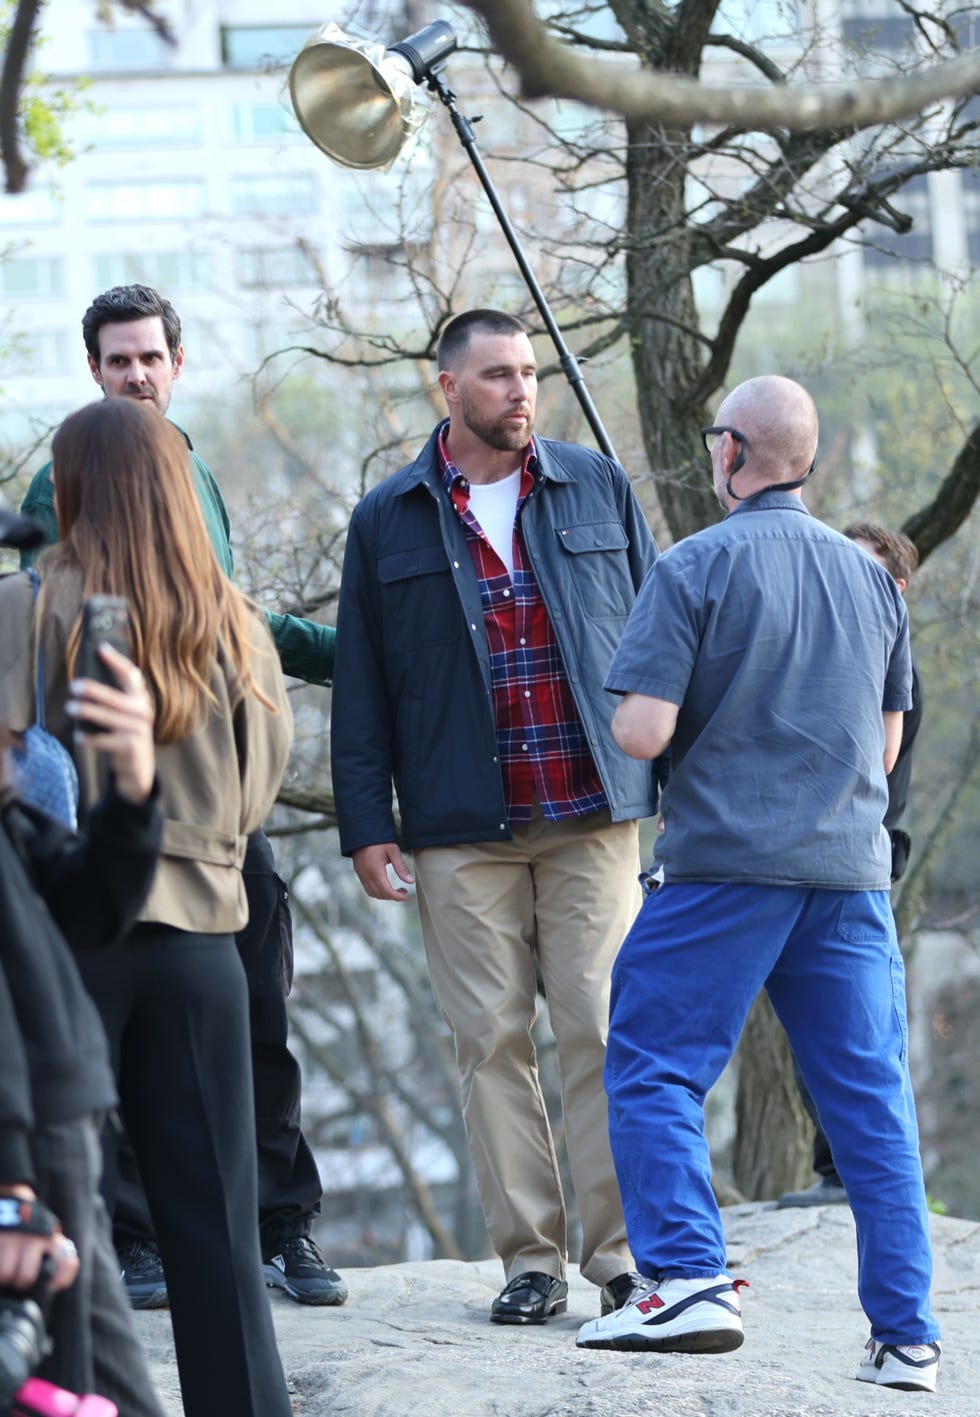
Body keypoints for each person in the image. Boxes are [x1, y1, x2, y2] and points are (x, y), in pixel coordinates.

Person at [575, 375, 942, 1394]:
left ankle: (687, 1279)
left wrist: (652, 687)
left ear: (733, 451)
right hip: (849, 877)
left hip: (724, 869)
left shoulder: (693, 564)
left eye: (714, 439)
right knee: (870, 1105)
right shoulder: (871, 579)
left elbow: (641, 732)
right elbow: (883, 746)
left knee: (651, 1065)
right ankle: (906, 1338)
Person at [19, 283, 345, 1310]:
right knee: (107, 1049)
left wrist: (352, 656)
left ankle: (281, 1222)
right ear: (95, 371)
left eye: (148, 357)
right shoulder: (62, 485)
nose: (135, 375)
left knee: (259, 1023)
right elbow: (45, 644)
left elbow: (233, 622)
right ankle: (136, 1236)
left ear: (176, 362)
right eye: (117, 361)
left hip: (210, 825)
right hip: (100, 830)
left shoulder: (191, 469)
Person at [331, 309, 659, 1323]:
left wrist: (678, 784)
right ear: (448, 389)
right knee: (489, 1040)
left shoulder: (596, 485)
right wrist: (365, 821)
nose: (521, 391)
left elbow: (663, 636)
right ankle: (531, 1262)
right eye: (497, 375)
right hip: (457, 825)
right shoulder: (386, 517)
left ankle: (620, 1259)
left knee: (600, 1029)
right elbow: (361, 684)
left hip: (591, 808)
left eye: (529, 372)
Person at [1, 399, 296, 1417]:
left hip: (63, 947)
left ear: (70, 486)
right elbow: (258, 795)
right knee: (220, 1233)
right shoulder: (235, 619)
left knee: (66, 1224)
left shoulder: (24, 605)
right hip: (204, 943)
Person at [0, 504, 165, 1415]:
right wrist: (12, 1186)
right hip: (27, 1149)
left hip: (50, 1132)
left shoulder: (13, 795)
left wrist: (133, 786)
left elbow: (90, 908)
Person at [777, 522, 924, 1210]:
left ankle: (849, 1174)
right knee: (815, 1021)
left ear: (896, 588)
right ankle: (834, 1168)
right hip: (812, 854)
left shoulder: (891, 668)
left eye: (861, 571)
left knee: (856, 1028)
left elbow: (878, 771)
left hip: (857, 859)